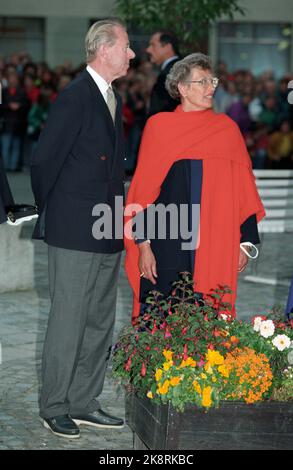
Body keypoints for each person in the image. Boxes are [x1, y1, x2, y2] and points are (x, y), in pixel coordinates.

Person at [31, 19, 135, 439]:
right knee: (68, 320)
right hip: (75, 229)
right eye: (126, 46)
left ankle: (83, 401)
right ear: (104, 49)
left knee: (98, 322)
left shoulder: (112, 97)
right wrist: (56, 212)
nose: (132, 54)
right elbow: (43, 162)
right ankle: (54, 405)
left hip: (107, 227)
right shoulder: (74, 97)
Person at [124, 53, 265, 320]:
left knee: (209, 315)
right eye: (202, 82)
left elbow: (244, 190)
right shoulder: (159, 128)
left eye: (212, 80)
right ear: (182, 88)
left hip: (215, 242)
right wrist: (143, 245)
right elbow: (143, 193)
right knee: (161, 316)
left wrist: (245, 243)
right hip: (167, 240)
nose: (211, 87)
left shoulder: (227, 130)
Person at [146, 31, 180, 116]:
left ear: (168, 47)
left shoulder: (170, 73)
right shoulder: (179, 68)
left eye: (153, 45)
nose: (148, 49)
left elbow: (159, 109)